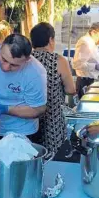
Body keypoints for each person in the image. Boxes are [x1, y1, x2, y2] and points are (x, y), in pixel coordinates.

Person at [30, 22, 76, 157]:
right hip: (53, 118)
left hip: (28, 117)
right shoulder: (58, 60)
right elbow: (71, 89)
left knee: (32, 155)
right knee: (53, 157)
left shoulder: (27, 59)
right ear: (51, 40)